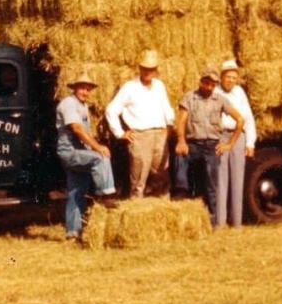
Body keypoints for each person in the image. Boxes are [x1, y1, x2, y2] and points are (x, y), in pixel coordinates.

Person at [174, 68, 243, 227]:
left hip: (212, 147)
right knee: (181, 161)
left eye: (212, 84)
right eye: (206, 83)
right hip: (193, 144)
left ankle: (211, 223)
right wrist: (181, 141)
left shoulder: (220, 100)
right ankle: (181, 198)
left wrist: (229, 144)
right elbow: (182, 121)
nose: (209, 87)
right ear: (200, 81)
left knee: (211, 185)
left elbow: (240, 120)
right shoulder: (190, 98)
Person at [55, 71, 117, 242]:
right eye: (82, 88)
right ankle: (106, 195)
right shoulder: (69, 103)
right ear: (74, 88)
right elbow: (76, 128)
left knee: (76, 192)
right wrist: (97, 147)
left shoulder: (82, 106)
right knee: (100, 158)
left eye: (88, 88)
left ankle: (72, 234)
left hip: (79, 151)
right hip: (70, 151)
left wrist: (93, 146)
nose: (85, 91)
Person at [105, 50, 175, 198]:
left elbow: (166, 107)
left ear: (155, 70)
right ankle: (136, 208)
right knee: (138, 178)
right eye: (144, 68)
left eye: (151, 69)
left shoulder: (159, 85)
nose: (148, 72)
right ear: (139, 68)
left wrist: (169, 126)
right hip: (140, 136)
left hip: (160, 135)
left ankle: (162, 209)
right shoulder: (130, 87)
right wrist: (120, 133)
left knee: (161, 175)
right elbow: (111, 110)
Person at [215, 59, 256, 228]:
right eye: (228, 76)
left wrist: (250, 143)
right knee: (220, 178)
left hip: (238, 136)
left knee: (237, 178)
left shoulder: (239, 92)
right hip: (220, 136)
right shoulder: (215, 92)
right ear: (221, 77)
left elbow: (248, 118)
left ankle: (237, 222)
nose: (231, 80)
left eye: (234, 77)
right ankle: (220, 222)